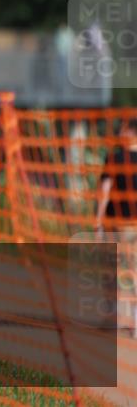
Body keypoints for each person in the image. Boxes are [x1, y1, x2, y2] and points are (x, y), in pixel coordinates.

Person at [95, 117, 137, 334]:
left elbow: (105, 190)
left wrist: (98, 222)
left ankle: (114, 318)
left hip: (117, 224)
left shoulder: (115, 158)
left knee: (113, 271)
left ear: (130, 132)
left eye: (122, 129)